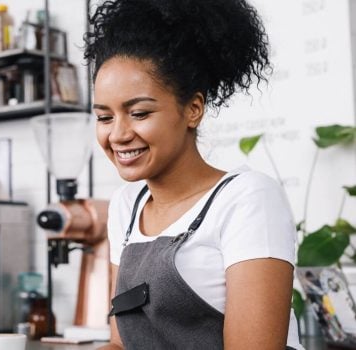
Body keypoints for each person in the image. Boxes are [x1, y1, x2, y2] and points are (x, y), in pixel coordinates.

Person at [83, 0, 302, 349]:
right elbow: (121, 343)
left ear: (193, 109)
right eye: (104, 117)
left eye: (139, 113)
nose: (118, 134)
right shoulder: (126, 207)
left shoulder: (247, 199)